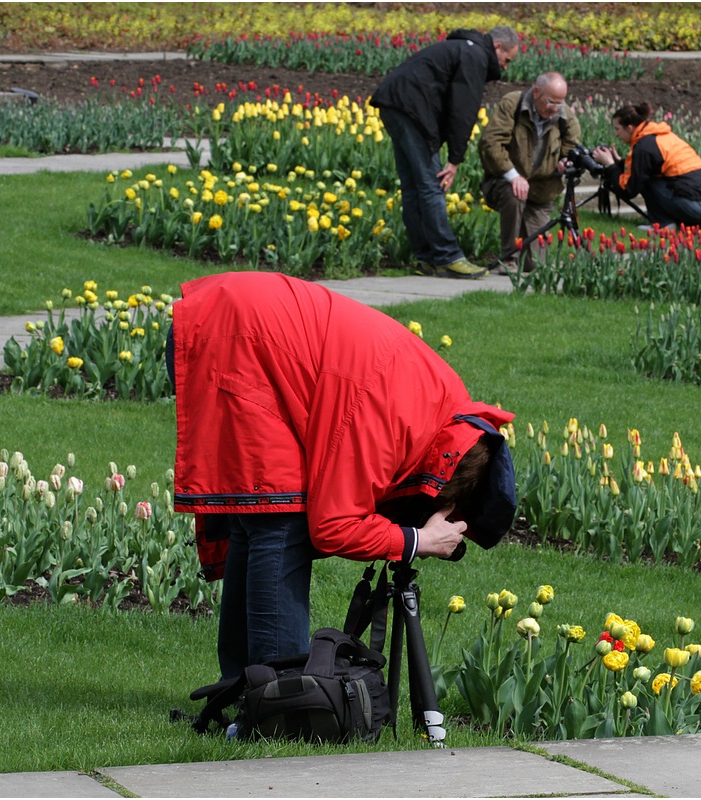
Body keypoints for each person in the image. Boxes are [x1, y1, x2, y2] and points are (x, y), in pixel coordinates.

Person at [167, 272, 517, 680]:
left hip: (234, 324)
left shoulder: (442, 406)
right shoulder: (394, 425)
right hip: (233, 342)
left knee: (259, 520)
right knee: (280, 522)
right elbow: (331, 525)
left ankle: (243, 690)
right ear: (438, 487)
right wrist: (417, 540)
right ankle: (277, 700)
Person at [369, 26, 520, 279]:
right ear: (497, 47)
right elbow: (463, 109)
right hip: (411, 109)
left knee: (414, 186)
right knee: (431, 184)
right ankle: (448, 257)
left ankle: (426, 258)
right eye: (507, 60)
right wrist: (454, 160)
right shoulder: (475, 56)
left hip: (394, 103)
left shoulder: (462, 48)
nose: (505, 67)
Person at [478, 71, 582, 274]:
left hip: (541, 191)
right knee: (515, 192)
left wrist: (565, 162)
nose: (555, 109)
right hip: (506, 181)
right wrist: (513, 175)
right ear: (536, 92)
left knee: (536, 266)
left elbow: (572, 148)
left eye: (560, 103)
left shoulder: (565, 115)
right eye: (551, 102)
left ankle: (524, 257)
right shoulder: (513, 104)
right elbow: (491, 143)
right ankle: (508, 258)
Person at [591, 102, 701, 232]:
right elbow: (648, 167)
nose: (616, 134)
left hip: (697, 207)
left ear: (630, 128)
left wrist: (610, 166)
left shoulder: (643, 146)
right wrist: (621, 163)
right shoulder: (660, 135)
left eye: (617, 129)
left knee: (645, 181)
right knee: (646, 175)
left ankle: (664, 223)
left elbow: (628, 189)